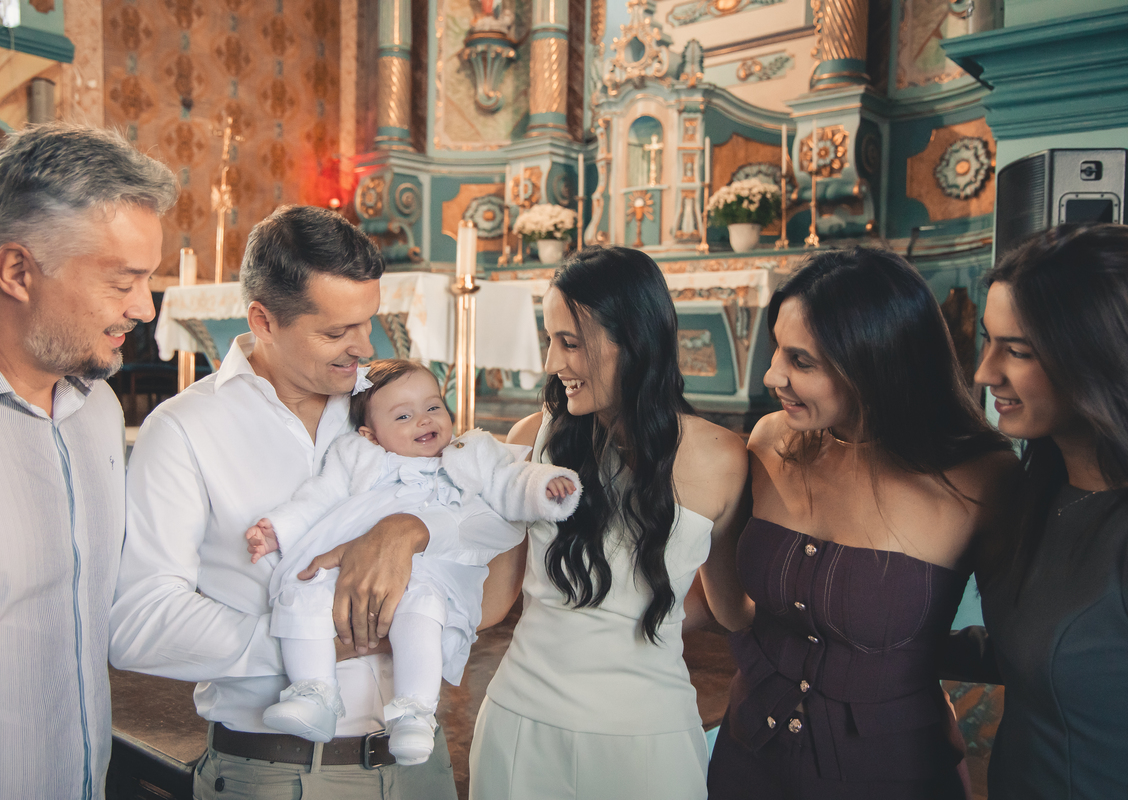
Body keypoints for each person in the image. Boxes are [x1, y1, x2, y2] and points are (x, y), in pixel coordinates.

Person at [110, 205, 521, 800]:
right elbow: (139, 623)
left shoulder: (395, 407)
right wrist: (319, 641)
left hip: (420, 764)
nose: (363, 348)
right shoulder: (185, 429)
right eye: (335, 333)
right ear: (263, 320)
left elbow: (496, 523)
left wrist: (411, 528)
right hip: (277, 773)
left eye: (367, 323)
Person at [705, 247, 1014, 800]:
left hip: (891, 771)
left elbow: (1021, 642)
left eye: (801, 361)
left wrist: (902, 667)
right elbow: (735, 611)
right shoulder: (771, 441)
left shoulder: (981, 479)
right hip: (747, 753)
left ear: (876, 363)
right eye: (777, 349)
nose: (773, 375)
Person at [0, 124, 175, 799]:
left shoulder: (97, 410)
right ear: (17, 270)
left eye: (148, 280)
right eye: (122, 281)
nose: (143, 307)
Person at [468, 246, 750, 800]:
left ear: (635, 340)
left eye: (570, 343)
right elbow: (491, 602)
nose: (553, 362)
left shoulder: (723, 458)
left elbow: (731, 607)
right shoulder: (530, 440)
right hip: (522, 722)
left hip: (650, 734)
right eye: (550, 340)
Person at [245, 359, 580, 762]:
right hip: (349, 561)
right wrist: (278, 528)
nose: (424, 420)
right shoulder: (359, 455)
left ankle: (414, 714)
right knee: (304, 591)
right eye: (403, 416)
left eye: (433, 406)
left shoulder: (471, 452)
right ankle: (313, 692)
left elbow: (510, 481)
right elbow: (319, 496)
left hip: (428, 572)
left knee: (422, 611)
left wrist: (544, 485)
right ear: (370, 434)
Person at [952, 223, 1128, 799]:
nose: (985, 372)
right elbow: (1042, 655)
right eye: (988, 341)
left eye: (1018, 350)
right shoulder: (1035, 490)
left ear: (1102, 352)